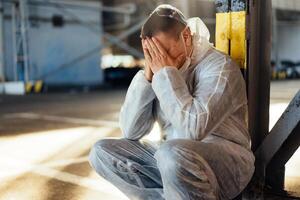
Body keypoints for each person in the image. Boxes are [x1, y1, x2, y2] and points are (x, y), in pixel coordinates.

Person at [89, 4, 255, 200]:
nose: (159, 59)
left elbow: (193, 129)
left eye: (164, 50)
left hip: (226, 162)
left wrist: (166, 75)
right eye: (152, 52)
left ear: (186, 36)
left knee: (171, 154)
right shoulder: (157, 72)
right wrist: (147, 80)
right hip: (171, 158)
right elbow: (131, 131)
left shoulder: (219, 67)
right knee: (101, 152)